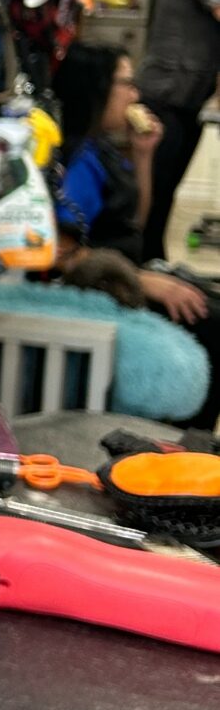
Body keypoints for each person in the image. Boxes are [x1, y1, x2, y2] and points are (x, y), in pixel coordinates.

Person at [52, 41, 219, 427]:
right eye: (125, 84)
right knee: (211, 325)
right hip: (105, 287)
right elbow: (61, 252)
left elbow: (133, 224)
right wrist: (144, 282)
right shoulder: (74, 162)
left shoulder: (103, 149)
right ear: (96, 90)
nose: (135, 94)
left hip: (129, 273)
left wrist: (143, 155)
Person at [137, 0, 220, 261]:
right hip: (165, 95)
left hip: (186, 100)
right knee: (156, 189)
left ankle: (153, 260)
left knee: (165, 189)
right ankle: (140, 261)